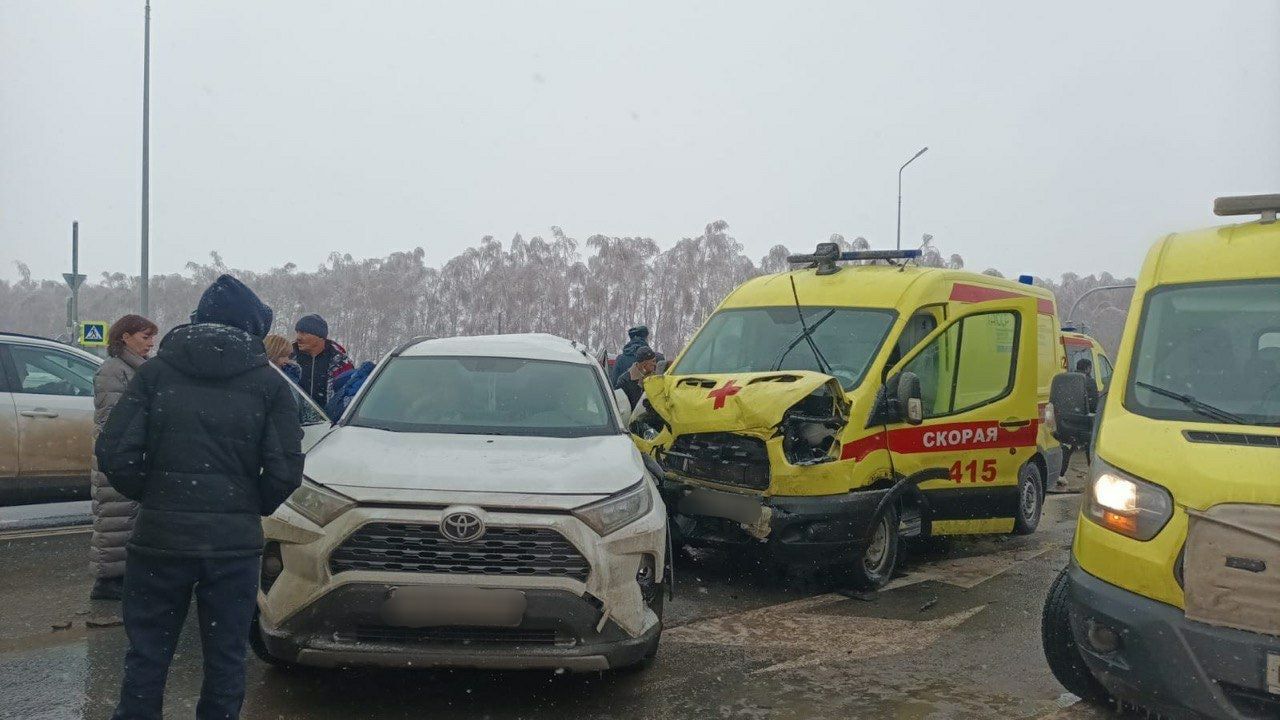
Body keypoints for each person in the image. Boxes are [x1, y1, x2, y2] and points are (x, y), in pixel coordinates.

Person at [96, 274, 304, 720]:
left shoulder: (154, 374)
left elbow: (114, 452)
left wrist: (156, 494)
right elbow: (286, 468)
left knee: (147, 656)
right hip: (232, 545)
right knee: (226, 659)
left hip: (160, 538)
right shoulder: (269, 386)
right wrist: (249, 504)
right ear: (250, 328)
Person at [89, 314, 158, 601]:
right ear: (125, 337)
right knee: (114, 518)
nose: (150, 344)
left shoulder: (135, 369)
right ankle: (108, 581)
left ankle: (123, 576)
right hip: (118, 456)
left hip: (131, 454)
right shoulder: (114, 371)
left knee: (127, 518)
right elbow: (114, 420)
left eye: (152, 337)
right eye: (145, 337)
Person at [292, 313, 354, 409]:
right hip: (293, 419)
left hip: (328, 421)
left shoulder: (341, 363)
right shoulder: (288, 357)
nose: (298, 337)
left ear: (320, 337)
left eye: (304, 333)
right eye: (298, 332)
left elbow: (348, 395)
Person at [614, 346, 658, 411]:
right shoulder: (625, 381)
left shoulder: (655, 378)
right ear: (644, 365)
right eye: (653, 361)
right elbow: (621, 406)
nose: (655, 364)